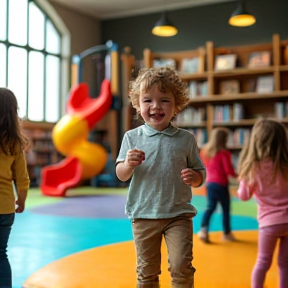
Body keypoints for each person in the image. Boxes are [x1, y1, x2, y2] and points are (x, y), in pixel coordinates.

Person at [116, 67, 206, 288]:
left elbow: (200, 174)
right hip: (144, 214)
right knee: (147, 271)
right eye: (148, 100)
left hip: (178, 214)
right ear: (138, 105)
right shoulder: (131, 137)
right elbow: (121, 174)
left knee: (181, 266)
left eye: (164, 100)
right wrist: (128, 164)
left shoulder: (186, 139)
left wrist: (194, 177)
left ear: (176, 105)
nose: (155, 106)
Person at [237, 119, 288, 288]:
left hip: (269, 224)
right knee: (285, 263)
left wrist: (241, 186)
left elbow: (243, 196)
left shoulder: (253, 167)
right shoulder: (285, 165)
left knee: (263, 262)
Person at [0, 88, 30, 288]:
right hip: (4, 208)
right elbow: (22, 179)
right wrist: (21, 200)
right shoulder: (14, 142)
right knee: (1, 253)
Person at [197, 127, 237, 243]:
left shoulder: (205, 152)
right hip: (221, 184)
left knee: (210, 207)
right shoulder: (224, 153)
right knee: (225, 209)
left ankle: (203, 230)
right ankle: (227, 233)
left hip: (210, 184)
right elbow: (228, 170)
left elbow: (204, 166)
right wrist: (237, 175)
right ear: (224, 139)